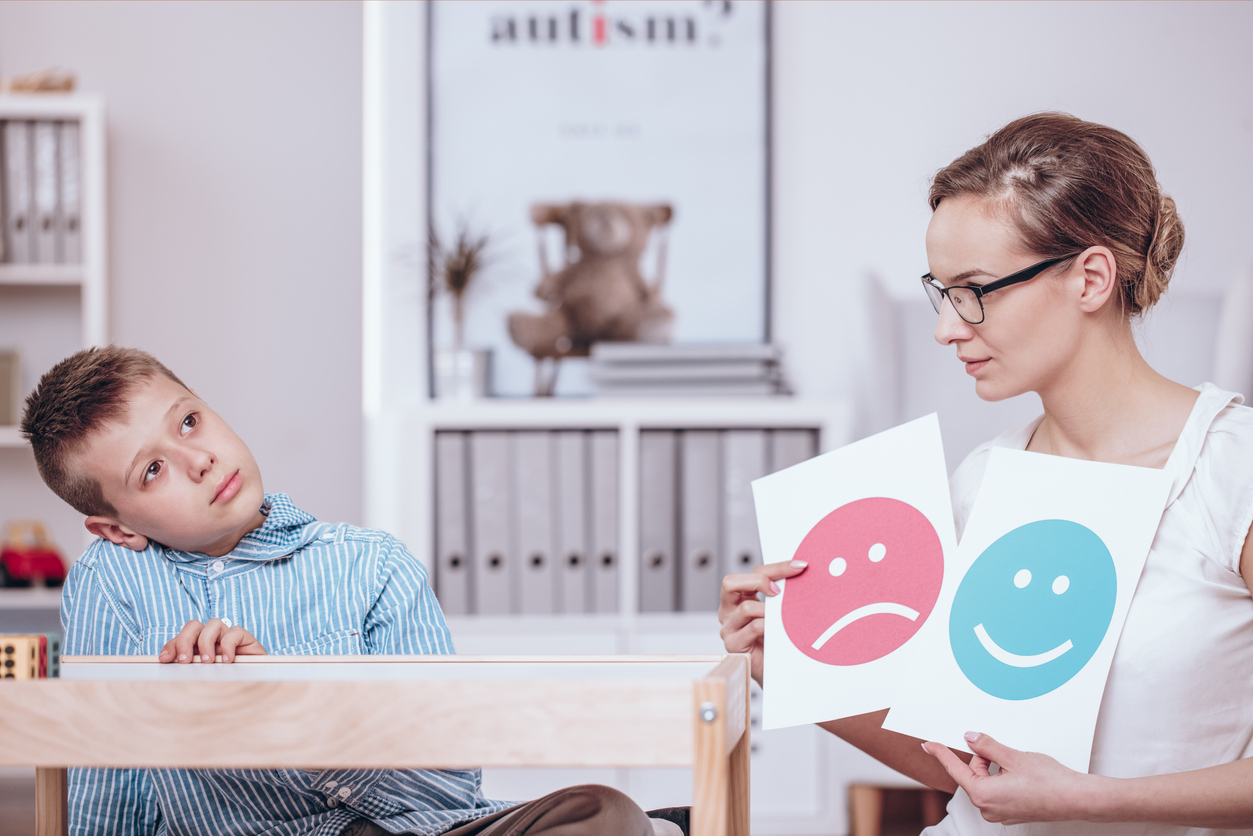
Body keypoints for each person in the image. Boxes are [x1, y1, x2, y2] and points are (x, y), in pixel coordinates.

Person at [718, 112, 1253, 834]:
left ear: (1089, 277)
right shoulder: (984, 480)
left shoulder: (1229, 470)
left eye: (974, 288)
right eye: (942, 292)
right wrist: (791, 672)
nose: (945, 327)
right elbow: (969, 767)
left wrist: (1088, 799)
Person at [20, 345, 683, 836]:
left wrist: (295, 720)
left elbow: (448, 788)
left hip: (408, 830)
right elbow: (103, 790)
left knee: (604, 814)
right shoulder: (115, 581)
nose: (200, 460)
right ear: (115, 526)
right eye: (154, 469)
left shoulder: (371, 566)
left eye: (189, 422)